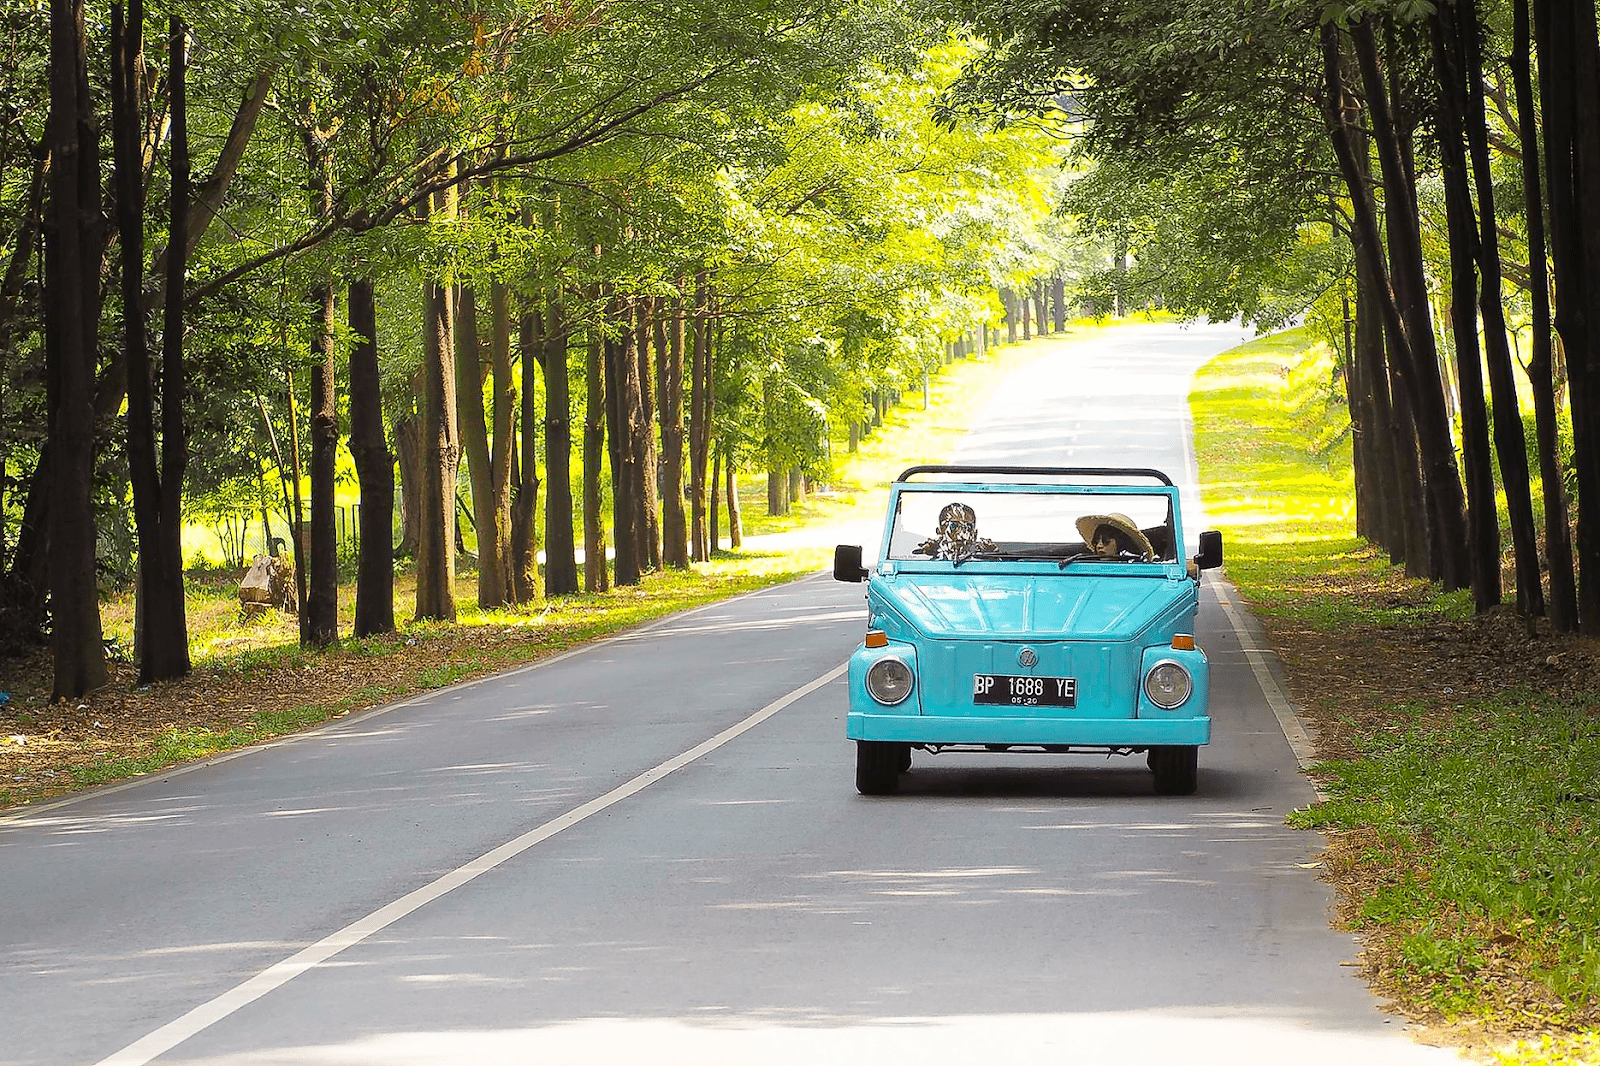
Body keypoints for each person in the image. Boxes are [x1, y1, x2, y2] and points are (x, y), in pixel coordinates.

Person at [914, 502, 996, 561]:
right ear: (940, 532)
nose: (961, 535)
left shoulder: (984, 565)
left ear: (974, 534)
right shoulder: (924, 564)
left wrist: (992, 557)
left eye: (968, 527)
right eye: (953, 526)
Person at [1074, 512, 1154, 560]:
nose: (1099, 546)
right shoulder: (1088, 569)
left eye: (1106, 540)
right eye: (1096, 541)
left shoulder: (1136, 571)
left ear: (1121, 543)